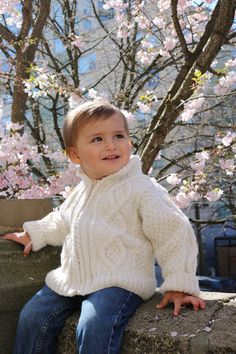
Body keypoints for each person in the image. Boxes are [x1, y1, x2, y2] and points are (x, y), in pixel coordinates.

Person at [2, 100, 206, 354]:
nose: (111, 145)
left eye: (118, 135)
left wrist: (179, 284)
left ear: (129, 143)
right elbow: (63, 220)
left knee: (94, 324)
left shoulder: (143, 189)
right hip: (72, 278)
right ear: (75, 155)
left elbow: (173, 232)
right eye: (97, 139)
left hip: (118, 282)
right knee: (32, 316)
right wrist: (35, 233)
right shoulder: (81, 190)